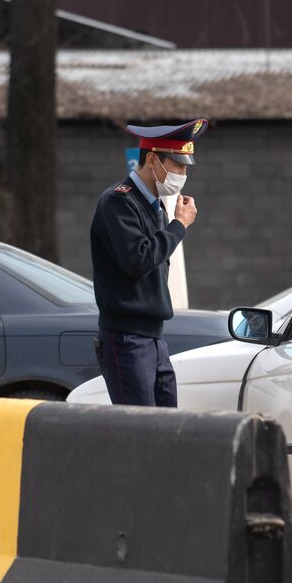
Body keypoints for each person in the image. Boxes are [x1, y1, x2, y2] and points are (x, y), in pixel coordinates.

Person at [89, 118, 206, 407]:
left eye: (185, 168)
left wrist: (172, 223)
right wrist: (179, 225)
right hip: (127, 338)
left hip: (154, 338)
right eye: (177, 166)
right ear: (152, 160)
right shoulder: (118, 202)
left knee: (165, 430)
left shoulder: (155, 207)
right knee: (139, 434)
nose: (182, 174)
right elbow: (139, 260)